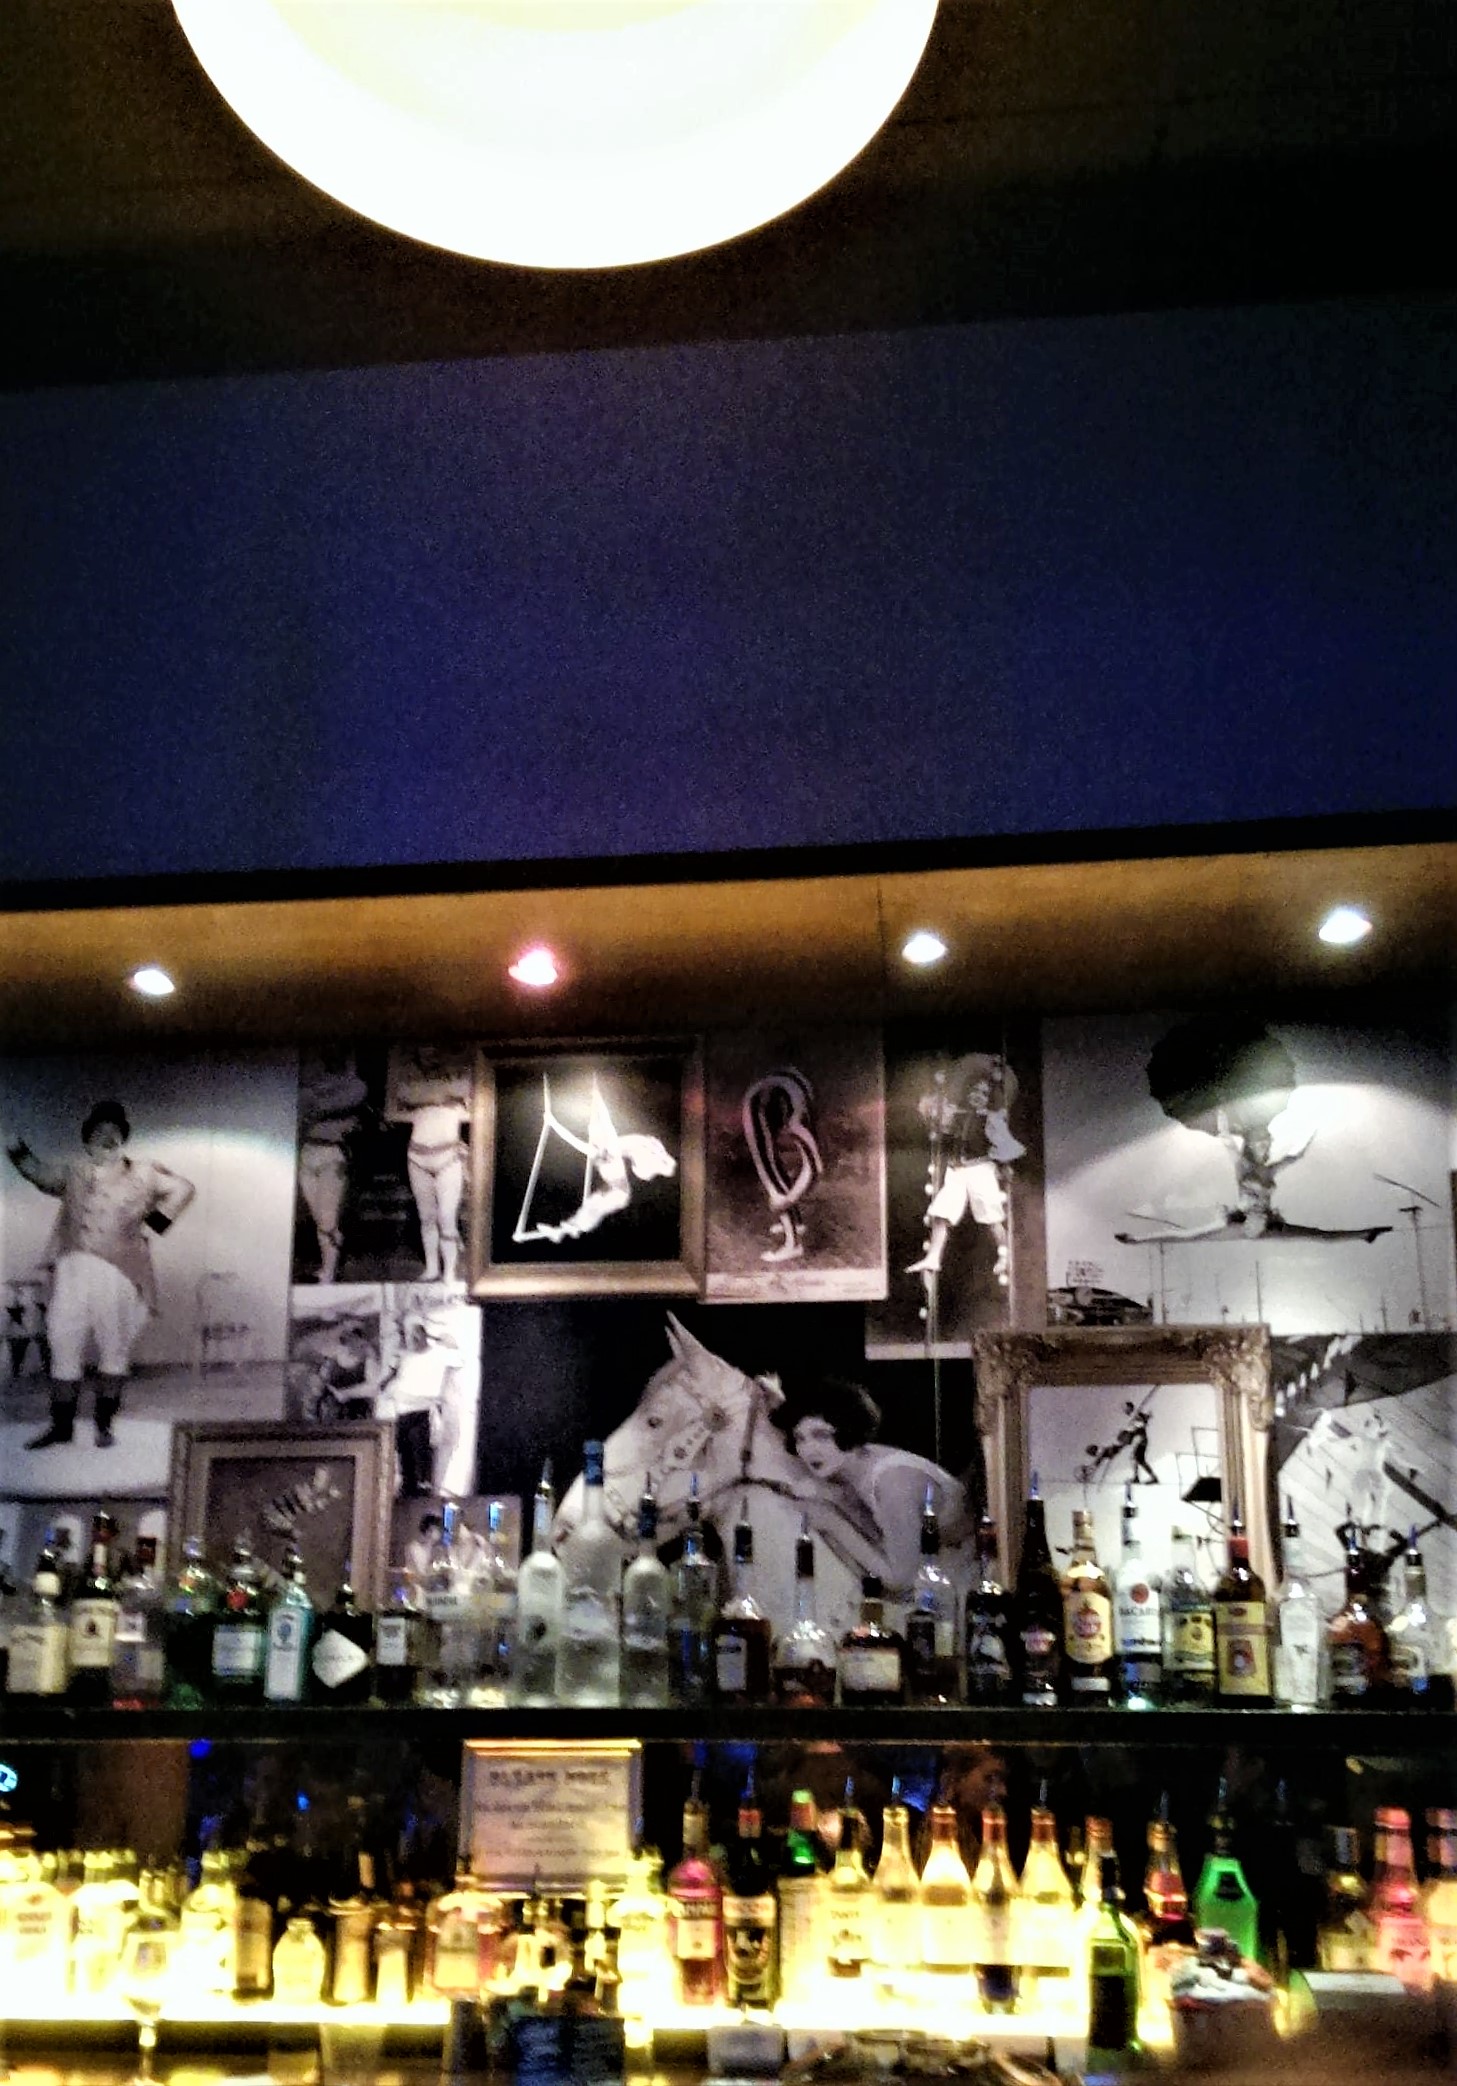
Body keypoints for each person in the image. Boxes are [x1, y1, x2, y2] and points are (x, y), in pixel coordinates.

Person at [4, 1100, 195, 1448]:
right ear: (87, 1139)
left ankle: (103, 1425)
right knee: (63, 1346)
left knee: (114, 1350)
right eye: (99, 1131)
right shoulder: (71, 1174)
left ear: (122, 1138)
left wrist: (155, 1223)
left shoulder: (144, 1173)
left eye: (114, 1131)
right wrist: (14, 1144)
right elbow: (37, 1172)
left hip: (118, 1275)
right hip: (72, 1273)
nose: (107, 1137)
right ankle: (61, 1428)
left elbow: (183, 1188)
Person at [771, 1374, 969, 1596]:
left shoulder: (894, 1483)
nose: (809, 1450)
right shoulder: (852, 1463)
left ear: (848, 1428)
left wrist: (833, 1522)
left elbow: (901, 1580)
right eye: (800, 1438)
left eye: (822, 1435)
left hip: (957, 1583)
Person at [906, 1053, 1025, 1291]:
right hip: (956, 1170)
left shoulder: (991, 1119)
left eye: (983, 1093)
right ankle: (933, 1257)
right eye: (974, 1092)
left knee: (991, 1216)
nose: (977, 1096)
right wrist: (935, 1110)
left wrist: (1004, 1165)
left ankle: (1005, 1253)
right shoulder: (959, 1114)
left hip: (980, 1169)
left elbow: (1001, 1143)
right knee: (941, 1212)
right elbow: (941, 1124)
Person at [387, 1046, 473, 1283]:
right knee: (426, 1217)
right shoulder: (411, 1080)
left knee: (447, 1217)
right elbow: (403, 1095)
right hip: (417, 1157)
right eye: (424, 1053)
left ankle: (449, 1271)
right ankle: (432, 1267)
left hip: (448, 1157)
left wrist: (431, 1094)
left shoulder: (459, 1078)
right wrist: (441, 1095)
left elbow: (465, 1089)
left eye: (434, 1052)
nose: (429, 1057)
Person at [297, 1050, 369, 1284]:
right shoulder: (307, 1088)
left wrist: (316, 1102)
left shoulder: (353, 1086)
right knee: (319, 1218)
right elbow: (303, 1103)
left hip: (333, 1154)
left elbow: (342, 1100)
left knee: (327, 1221)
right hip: (308, 1152)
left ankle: (329, 1271)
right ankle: (327, 1268)